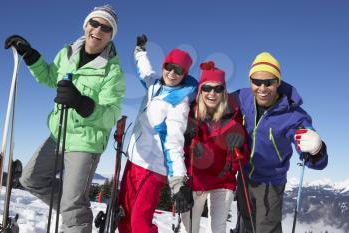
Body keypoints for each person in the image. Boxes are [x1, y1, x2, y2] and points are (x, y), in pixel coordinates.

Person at [4, 4, 125, 233]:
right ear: (86, 25)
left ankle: (75, 218)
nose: (98, 30)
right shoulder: (68, 53)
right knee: (31, 179)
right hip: (59, 133)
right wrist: (31, 56)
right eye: (94, 23)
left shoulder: (112, 71)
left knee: (72, 205)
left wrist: (82, 103)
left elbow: (111, 114)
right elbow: (51, 77)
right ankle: (77, 215)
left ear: (111, 36)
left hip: (86, 142)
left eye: (106, 28)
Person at [231, 52, 328, 233]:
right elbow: (216, 103)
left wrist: (318, 149)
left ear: (278, 82)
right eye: (256, 82)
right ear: (250, 81)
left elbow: (310, 148)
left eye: (269, 82)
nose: (262, 88)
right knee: (245, 224)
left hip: (271, 183)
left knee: (266, 229)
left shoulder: (293, 115)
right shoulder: (242, 97)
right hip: (243, 177)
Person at [117, 35, 197, 233]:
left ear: (184, 74)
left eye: (178, 70)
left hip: (153, 168)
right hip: (134, 160)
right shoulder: (155, 84)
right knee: (123, 216)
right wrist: (140, 51)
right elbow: (144, 69)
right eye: (169, 66)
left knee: (139, 223)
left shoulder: (179, 104)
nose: (171, 72)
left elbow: (174, 144)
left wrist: (178, 182)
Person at [180, 61, 249, 233]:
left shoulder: (234, 115)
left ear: (224, 91)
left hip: (223, 180)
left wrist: (240, 142)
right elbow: (175, 148)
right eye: (207, 88)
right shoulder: (188, 114)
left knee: (218, 229)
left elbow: (243, 154)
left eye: (218, 88)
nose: (212, 93)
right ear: (200, 90)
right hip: (195, 180)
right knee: (188, 228)